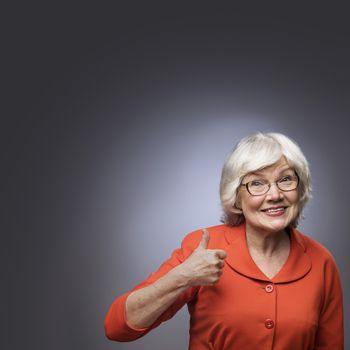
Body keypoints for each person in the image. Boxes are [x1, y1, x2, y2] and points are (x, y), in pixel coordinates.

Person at [104, 132, 344, 349]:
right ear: (236, 198)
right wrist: (182, 276)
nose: (274, 195)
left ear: (300, 189)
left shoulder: (321, 261)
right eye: (257, 183)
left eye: (286, 179)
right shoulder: (202, 247)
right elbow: (117, 328)